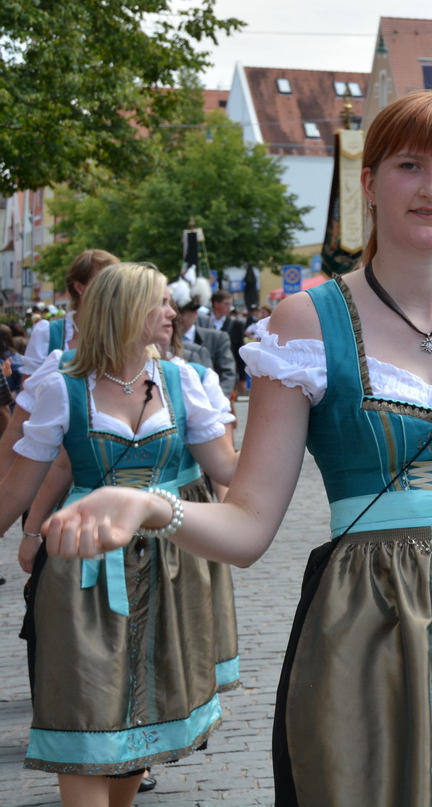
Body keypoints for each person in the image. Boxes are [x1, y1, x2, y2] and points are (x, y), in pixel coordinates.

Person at [40, 91, 432, 805]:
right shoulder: (308, 322)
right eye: (409, 165)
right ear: (368, 183)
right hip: (364, 622)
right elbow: (247, 524)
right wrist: (146, 502)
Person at [1, 262, 238, 805]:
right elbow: (16, 491)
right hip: (83, 570)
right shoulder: (64, 390)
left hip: (169, 569)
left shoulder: (184, 382)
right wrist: (30, 534)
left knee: (143, 712)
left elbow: (229, 471)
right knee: (87, 708)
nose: (170, 313)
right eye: (159, 302)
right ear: (126, 311)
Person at [18, 250, 119, 379]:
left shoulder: (124, 333)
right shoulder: (48, 334)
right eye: (104, 283)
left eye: (116, 284)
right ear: (79, 288)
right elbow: (28, 392)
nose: (113, 291)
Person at [176, 292, 238, 398]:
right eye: (175, 312)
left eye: (182, 313)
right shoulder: (164, 340)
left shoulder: (216, 338)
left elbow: (227, 373)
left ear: (195, 313)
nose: (176, 317)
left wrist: (216, 402)